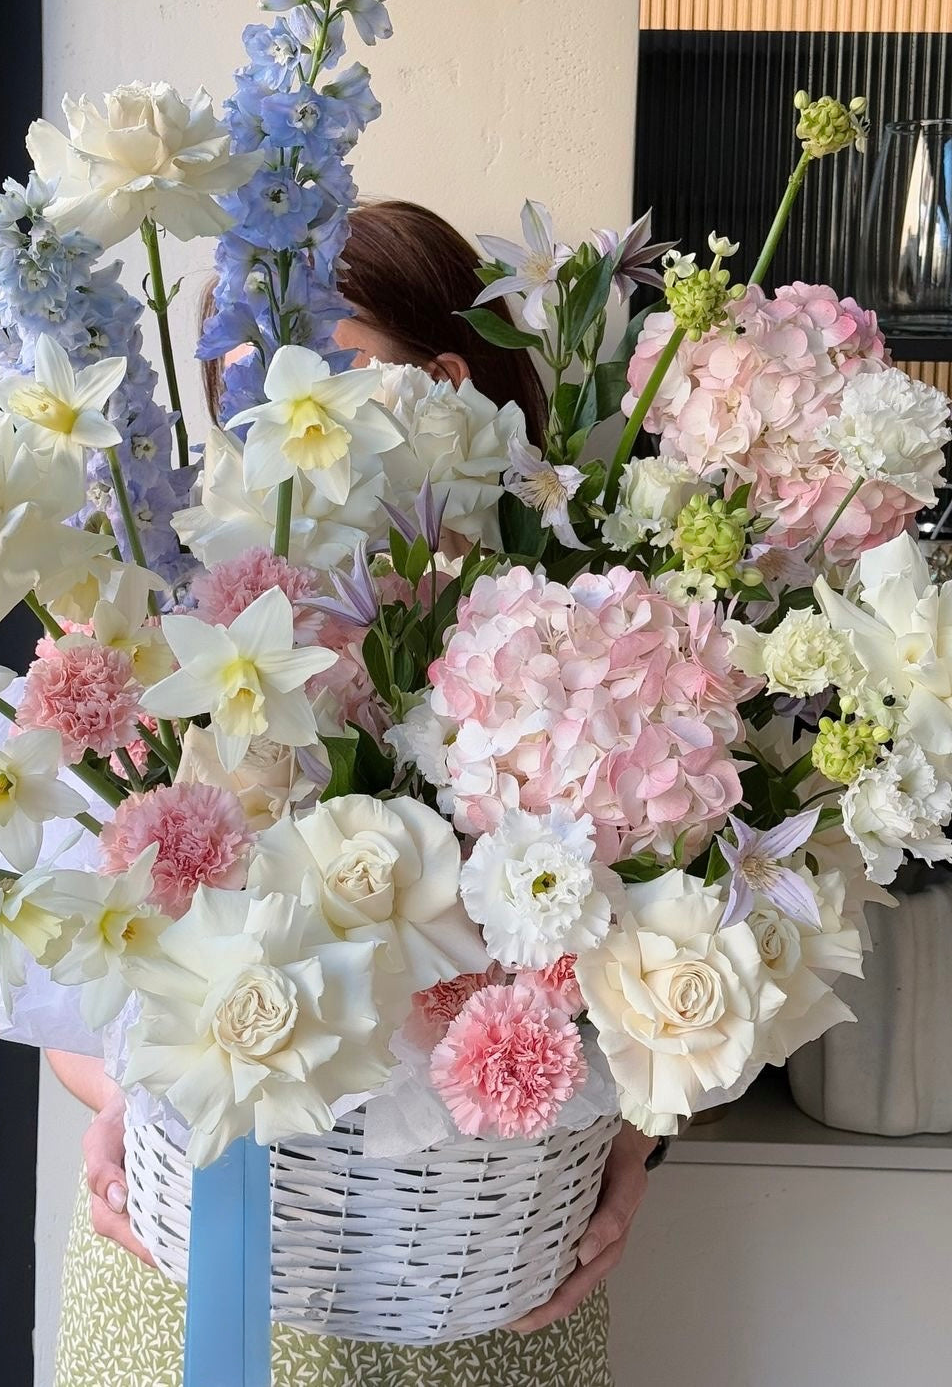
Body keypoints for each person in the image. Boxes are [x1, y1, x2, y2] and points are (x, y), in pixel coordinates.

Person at [51, 199, 660, 1387]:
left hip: (482, 1301)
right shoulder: (182, 614)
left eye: (329, 370)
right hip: (181, 1288)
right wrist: (124, 1096)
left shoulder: (575, 636)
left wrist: (639, 1145)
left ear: (442, 385)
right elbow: (67, 988)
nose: (272, 422)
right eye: (238, 386)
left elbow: (673, 978)